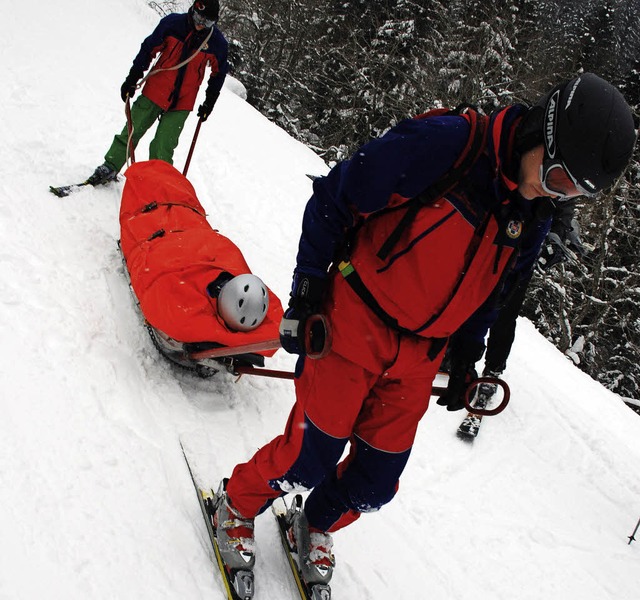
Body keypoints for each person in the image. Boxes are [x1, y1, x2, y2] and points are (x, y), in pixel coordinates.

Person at [209, 73, 636, 592]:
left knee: (374, 483)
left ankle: (315, 522)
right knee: (309, 457)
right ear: (537, 133)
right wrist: (305, 292)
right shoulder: (451, 145)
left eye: (571, 192)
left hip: (418, 357)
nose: (554, 193)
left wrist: (465, 361)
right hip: (354, 320)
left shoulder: (533, 213)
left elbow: (493, 295)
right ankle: (237, 503)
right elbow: (334, 196)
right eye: (558, 176)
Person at [437, 198, 587, 411]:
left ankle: (493, 370)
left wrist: (557, 233)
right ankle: (453, 349)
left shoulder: (558, 186)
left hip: (526, 235)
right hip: (496, 224)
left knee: (505, 311)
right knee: (466, 290)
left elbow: (565, 204)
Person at [119, 159, 282, 354]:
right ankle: (159, 174)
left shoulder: (184, 314)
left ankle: (153, 174)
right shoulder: (260, 313)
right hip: (190, 228)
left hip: (166, 234)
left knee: (153, 201)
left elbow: (162, 286)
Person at [88, 0, 228, 186]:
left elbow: (219, 75)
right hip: (155, 91)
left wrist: (209, 103)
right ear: (193, 11)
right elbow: (148, 50)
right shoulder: (172, 25)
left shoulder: (216, 43)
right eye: (198, 18)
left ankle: (156, 185)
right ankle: (111, 165)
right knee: (132, 130)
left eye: (208, 22)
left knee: (164, 146)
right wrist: (133, 78)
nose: (201, 24)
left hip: (183, 102)